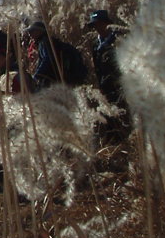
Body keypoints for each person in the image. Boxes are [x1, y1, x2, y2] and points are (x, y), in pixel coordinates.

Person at [85, 9, 131, 144]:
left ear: (106, 23)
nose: (96, 28)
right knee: (110, 117)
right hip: (105, 86)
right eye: (94, 25)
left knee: (123, 115)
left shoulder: (118, 38)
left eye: (98, 24)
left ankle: (127, 141)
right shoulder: (95, 44)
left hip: (120, 84)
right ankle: (115, 144)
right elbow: (96, 66)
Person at [24, 21, 87, 90]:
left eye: (32, 31)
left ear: (39, 31)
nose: (29, 34)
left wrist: (37, 75)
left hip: (55, 79)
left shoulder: (44, 42)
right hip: (63, 78)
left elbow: (47, 59)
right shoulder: (49, 42)